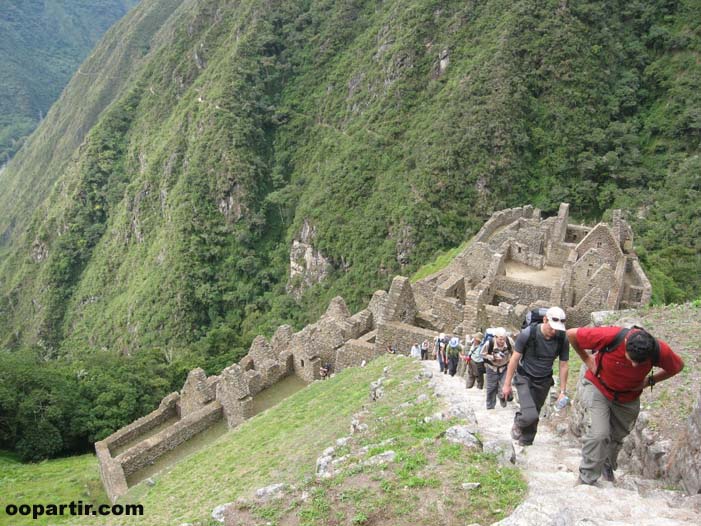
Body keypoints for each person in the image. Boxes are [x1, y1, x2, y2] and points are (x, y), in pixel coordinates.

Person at [567, 325, 684, 485]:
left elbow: (677, 366)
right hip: (599, 387)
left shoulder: (659, 350)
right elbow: (572, 334)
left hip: (627, 397)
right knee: (599, 434)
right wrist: (587, 359)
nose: (635, 365)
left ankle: (606, 466)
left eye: (640, 362)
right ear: (626, 342)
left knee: (616, 437)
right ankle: (586, 479)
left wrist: (651, 380)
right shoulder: (610, 336)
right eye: (631, 359)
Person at [503, 306, 569, 445]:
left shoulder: (562, 338)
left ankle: (526, 440)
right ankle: (519, 422)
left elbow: (563, 364)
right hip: (524, 377)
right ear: (545, 320)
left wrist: (562, 391)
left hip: (544, 380)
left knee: (535, 411)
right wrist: (507, 384)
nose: (554, 331)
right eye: (552, 327)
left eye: (557, 328)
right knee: (529, 413)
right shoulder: (529, 333)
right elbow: (514, 358)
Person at [481, 328, 513, 409]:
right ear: (495, 337)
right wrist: (493, 357)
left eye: (504, 339)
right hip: (492, 368)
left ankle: (503, 399)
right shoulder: (489, 344)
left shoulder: (509, 342)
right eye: (500, 339)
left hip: (504, 367)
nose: (502, 341)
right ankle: (490, 407)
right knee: (491, 388)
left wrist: (511, 362)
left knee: (504, 386)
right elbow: (482, 354)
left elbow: (514, 352)